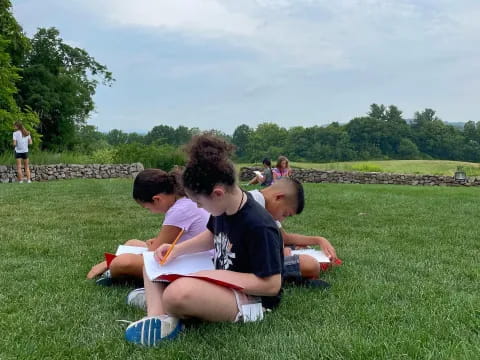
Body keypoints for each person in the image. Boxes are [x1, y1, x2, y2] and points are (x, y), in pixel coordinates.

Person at [124, 134, 284, 346]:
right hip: (221, 279)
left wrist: (213, 275)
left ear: (217, 193)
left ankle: (165, 304)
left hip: (252, 298)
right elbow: (211, 236)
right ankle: (158, 315)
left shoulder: (259, 225)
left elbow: (271, 285)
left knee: (177, 294)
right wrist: (177, 250)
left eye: (198, 202)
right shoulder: (222, 209)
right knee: (152, 260)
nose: (198, 208)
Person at [86, 168, 209, 285]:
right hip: (189, 253)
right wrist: (156, 244)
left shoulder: (180, 210)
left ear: (156, 199)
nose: (150, 211)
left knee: (121, 262)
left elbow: (152, 253)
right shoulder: (183, 202)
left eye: (147, 208)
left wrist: (107, 263)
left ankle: (114, 272)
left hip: (196, 262)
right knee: (132, 243)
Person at [248, 178, 339, 287]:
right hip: (250, 266)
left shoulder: (262, 203)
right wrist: (281, 251)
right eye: (285, 214)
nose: (281, 220)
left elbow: (284, 237)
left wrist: (319, 240)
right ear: (279, 197)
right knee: (311, 265)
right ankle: (288, 278)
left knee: (304, 248)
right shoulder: (254, 209)